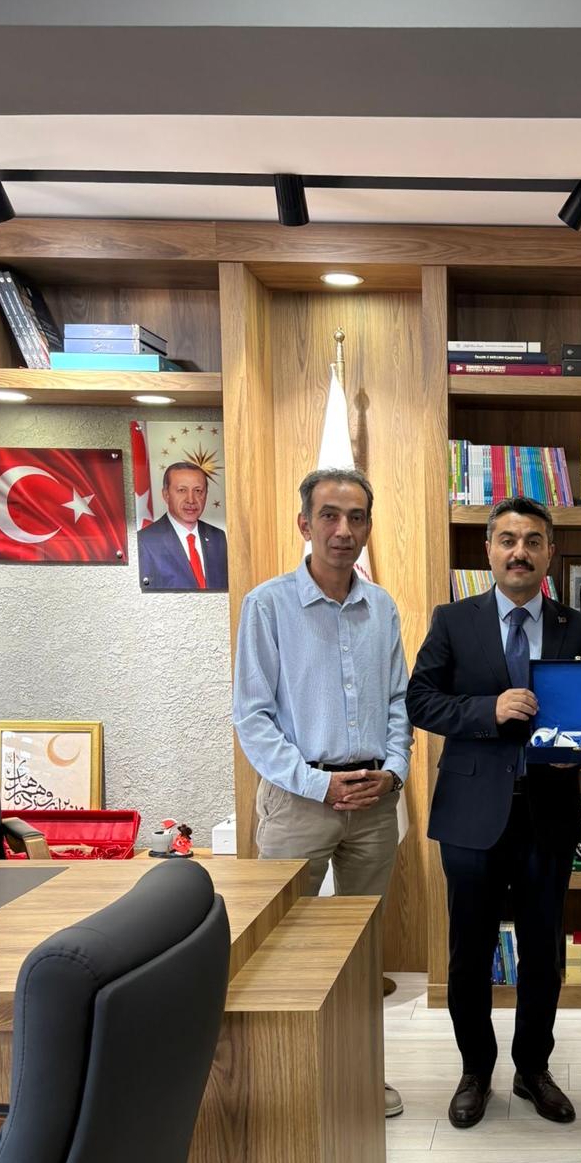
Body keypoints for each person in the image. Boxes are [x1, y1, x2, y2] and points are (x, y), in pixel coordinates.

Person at [407, 496, 581, 1129]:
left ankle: (533, 1069)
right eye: (509, 540)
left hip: (548, 811)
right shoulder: (452, 620)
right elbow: (420, 701)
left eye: (533, 541)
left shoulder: (577, 626)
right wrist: (485, 711)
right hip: (471, 813)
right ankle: (475, 1071)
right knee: (470, 953)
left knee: (543, 952)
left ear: (550, 553)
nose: (520, 552)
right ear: (488, 549)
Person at [232, 467, 411, 1115]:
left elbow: (398, 701)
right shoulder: (268, 606)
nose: (343, 529)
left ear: (368, 526)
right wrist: (317, 784)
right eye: (329, 516)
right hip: (299, 799)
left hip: (373, 799)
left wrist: (395, 770)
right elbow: (252, 717)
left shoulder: (381, 607)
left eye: (356, 517)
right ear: (304, 524)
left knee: (361, 953)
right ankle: (288, 1085)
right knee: (279, 947)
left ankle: (359, 1076)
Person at [137, 462, 229, 591]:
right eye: (182, 490)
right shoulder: (145, 541)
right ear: (166, 495)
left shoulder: (217, 537)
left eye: (198, 491)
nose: (191, 500)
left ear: (206, 495)